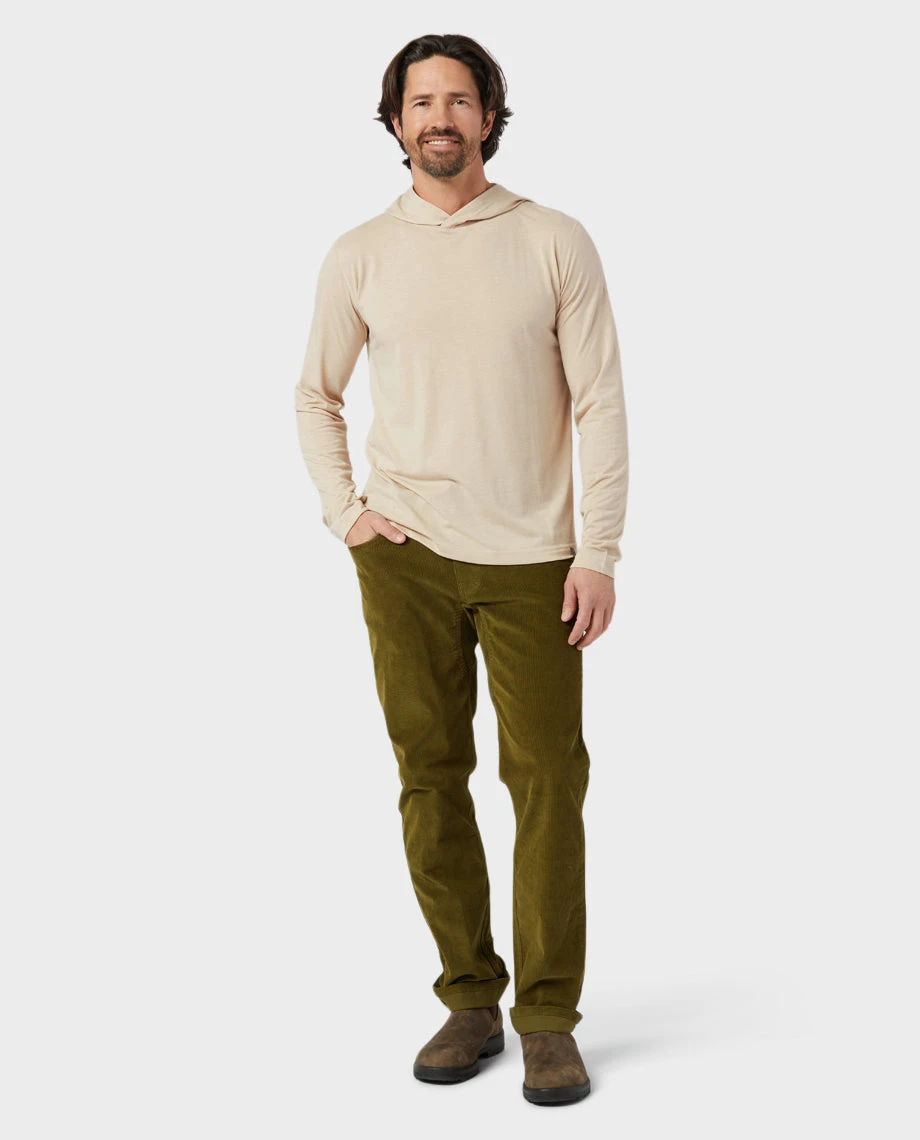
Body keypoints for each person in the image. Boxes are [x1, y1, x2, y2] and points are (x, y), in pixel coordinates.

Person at [294, 32, 629, 1106]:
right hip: (404, 555)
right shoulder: (360, 253)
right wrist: (347, 513)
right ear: (394, 122)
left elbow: (600, 401)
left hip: (533, 558)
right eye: (420, 101)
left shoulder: (552, 240)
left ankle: (547, 1018)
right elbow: (315, 393)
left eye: (458, 99)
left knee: (547, 781)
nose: (439, 117)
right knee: (429, 775)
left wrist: (597, 550)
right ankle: (470, 996)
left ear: (489, 115)